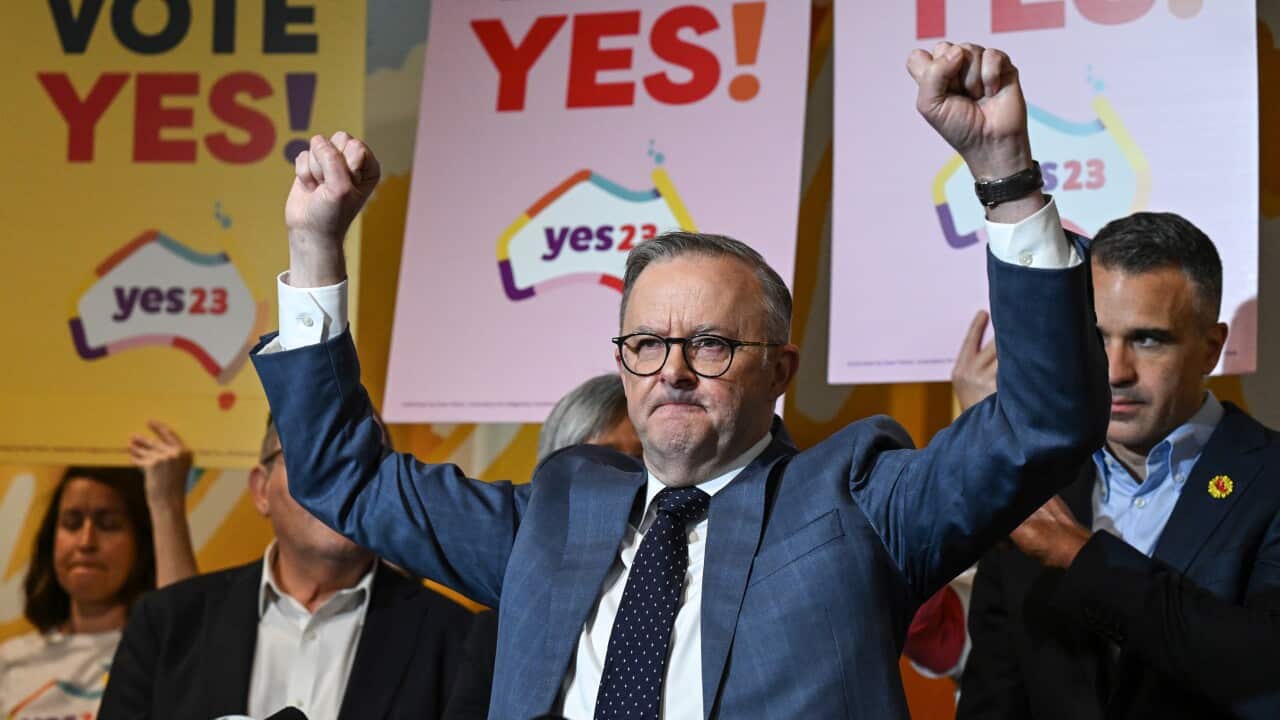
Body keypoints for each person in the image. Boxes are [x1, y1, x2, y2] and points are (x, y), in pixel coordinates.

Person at [250, 42, 1108, 719]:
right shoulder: (553, 518)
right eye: (646, 344)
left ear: (780, 371)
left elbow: (1043, 422)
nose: (674, 372)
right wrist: (314, 247)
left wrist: (1004, 172)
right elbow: (340, 476)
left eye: (711, 345)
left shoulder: (857, 505)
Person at [956, 213, 1280, 718]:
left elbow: (1265, 676)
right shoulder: (1036, 486)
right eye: (1096, 337)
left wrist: (1080, 555)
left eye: (1148, 340)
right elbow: (994, 698)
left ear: (1211, 349)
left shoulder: (1270, 479)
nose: (1115, 371)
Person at [99, 414, 473, 720]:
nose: (340, 482)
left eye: (364, 461)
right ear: (261, 490)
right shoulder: (167, 622)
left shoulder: (453, 637)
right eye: (312, 457)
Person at [447, 374, 643, 720]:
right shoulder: (502, 632)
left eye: (644, 460)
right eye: (609, 461)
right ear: (555, 482)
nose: (634, 480)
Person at [0, 421, 199, 719]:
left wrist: (166, 502)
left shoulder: (154, 652)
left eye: (108, 525)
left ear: (142, 543)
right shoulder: (11, 660)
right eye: (71, 523)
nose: (86, 541)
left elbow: (188, 648)